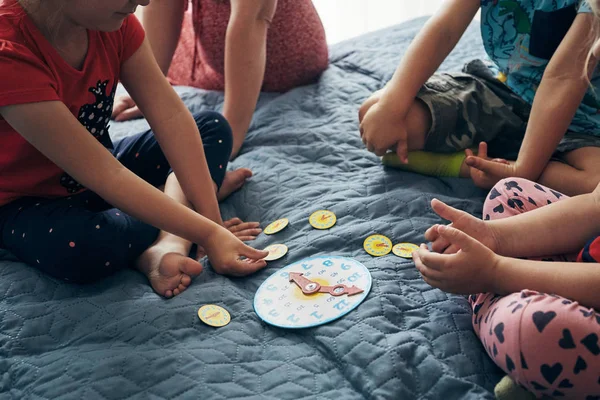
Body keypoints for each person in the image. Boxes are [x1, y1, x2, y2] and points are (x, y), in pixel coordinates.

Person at [0, 0, 269, 298]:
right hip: (25, 203)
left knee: (213, 128)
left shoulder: (114, 22)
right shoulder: (7, 54)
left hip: (102, 169)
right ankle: (174, 205)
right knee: (84, 247)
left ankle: (170, 239)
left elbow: (172, 118)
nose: (145, 1)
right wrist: (207, 232)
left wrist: (212, 222)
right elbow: (106, 175)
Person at [359, 0, 600, 197]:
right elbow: (445, 28)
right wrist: (392, 105)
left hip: (580, 123)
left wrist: (522, 170)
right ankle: (492, 161)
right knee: (375, 112)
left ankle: (469, 165)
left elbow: (563, 79)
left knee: (595, 183)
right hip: (503, 90)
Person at [111, 0, 329, 159]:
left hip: (287, 56)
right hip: (219, 64)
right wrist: (148, 88)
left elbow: (253, 18)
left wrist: (229, 133)